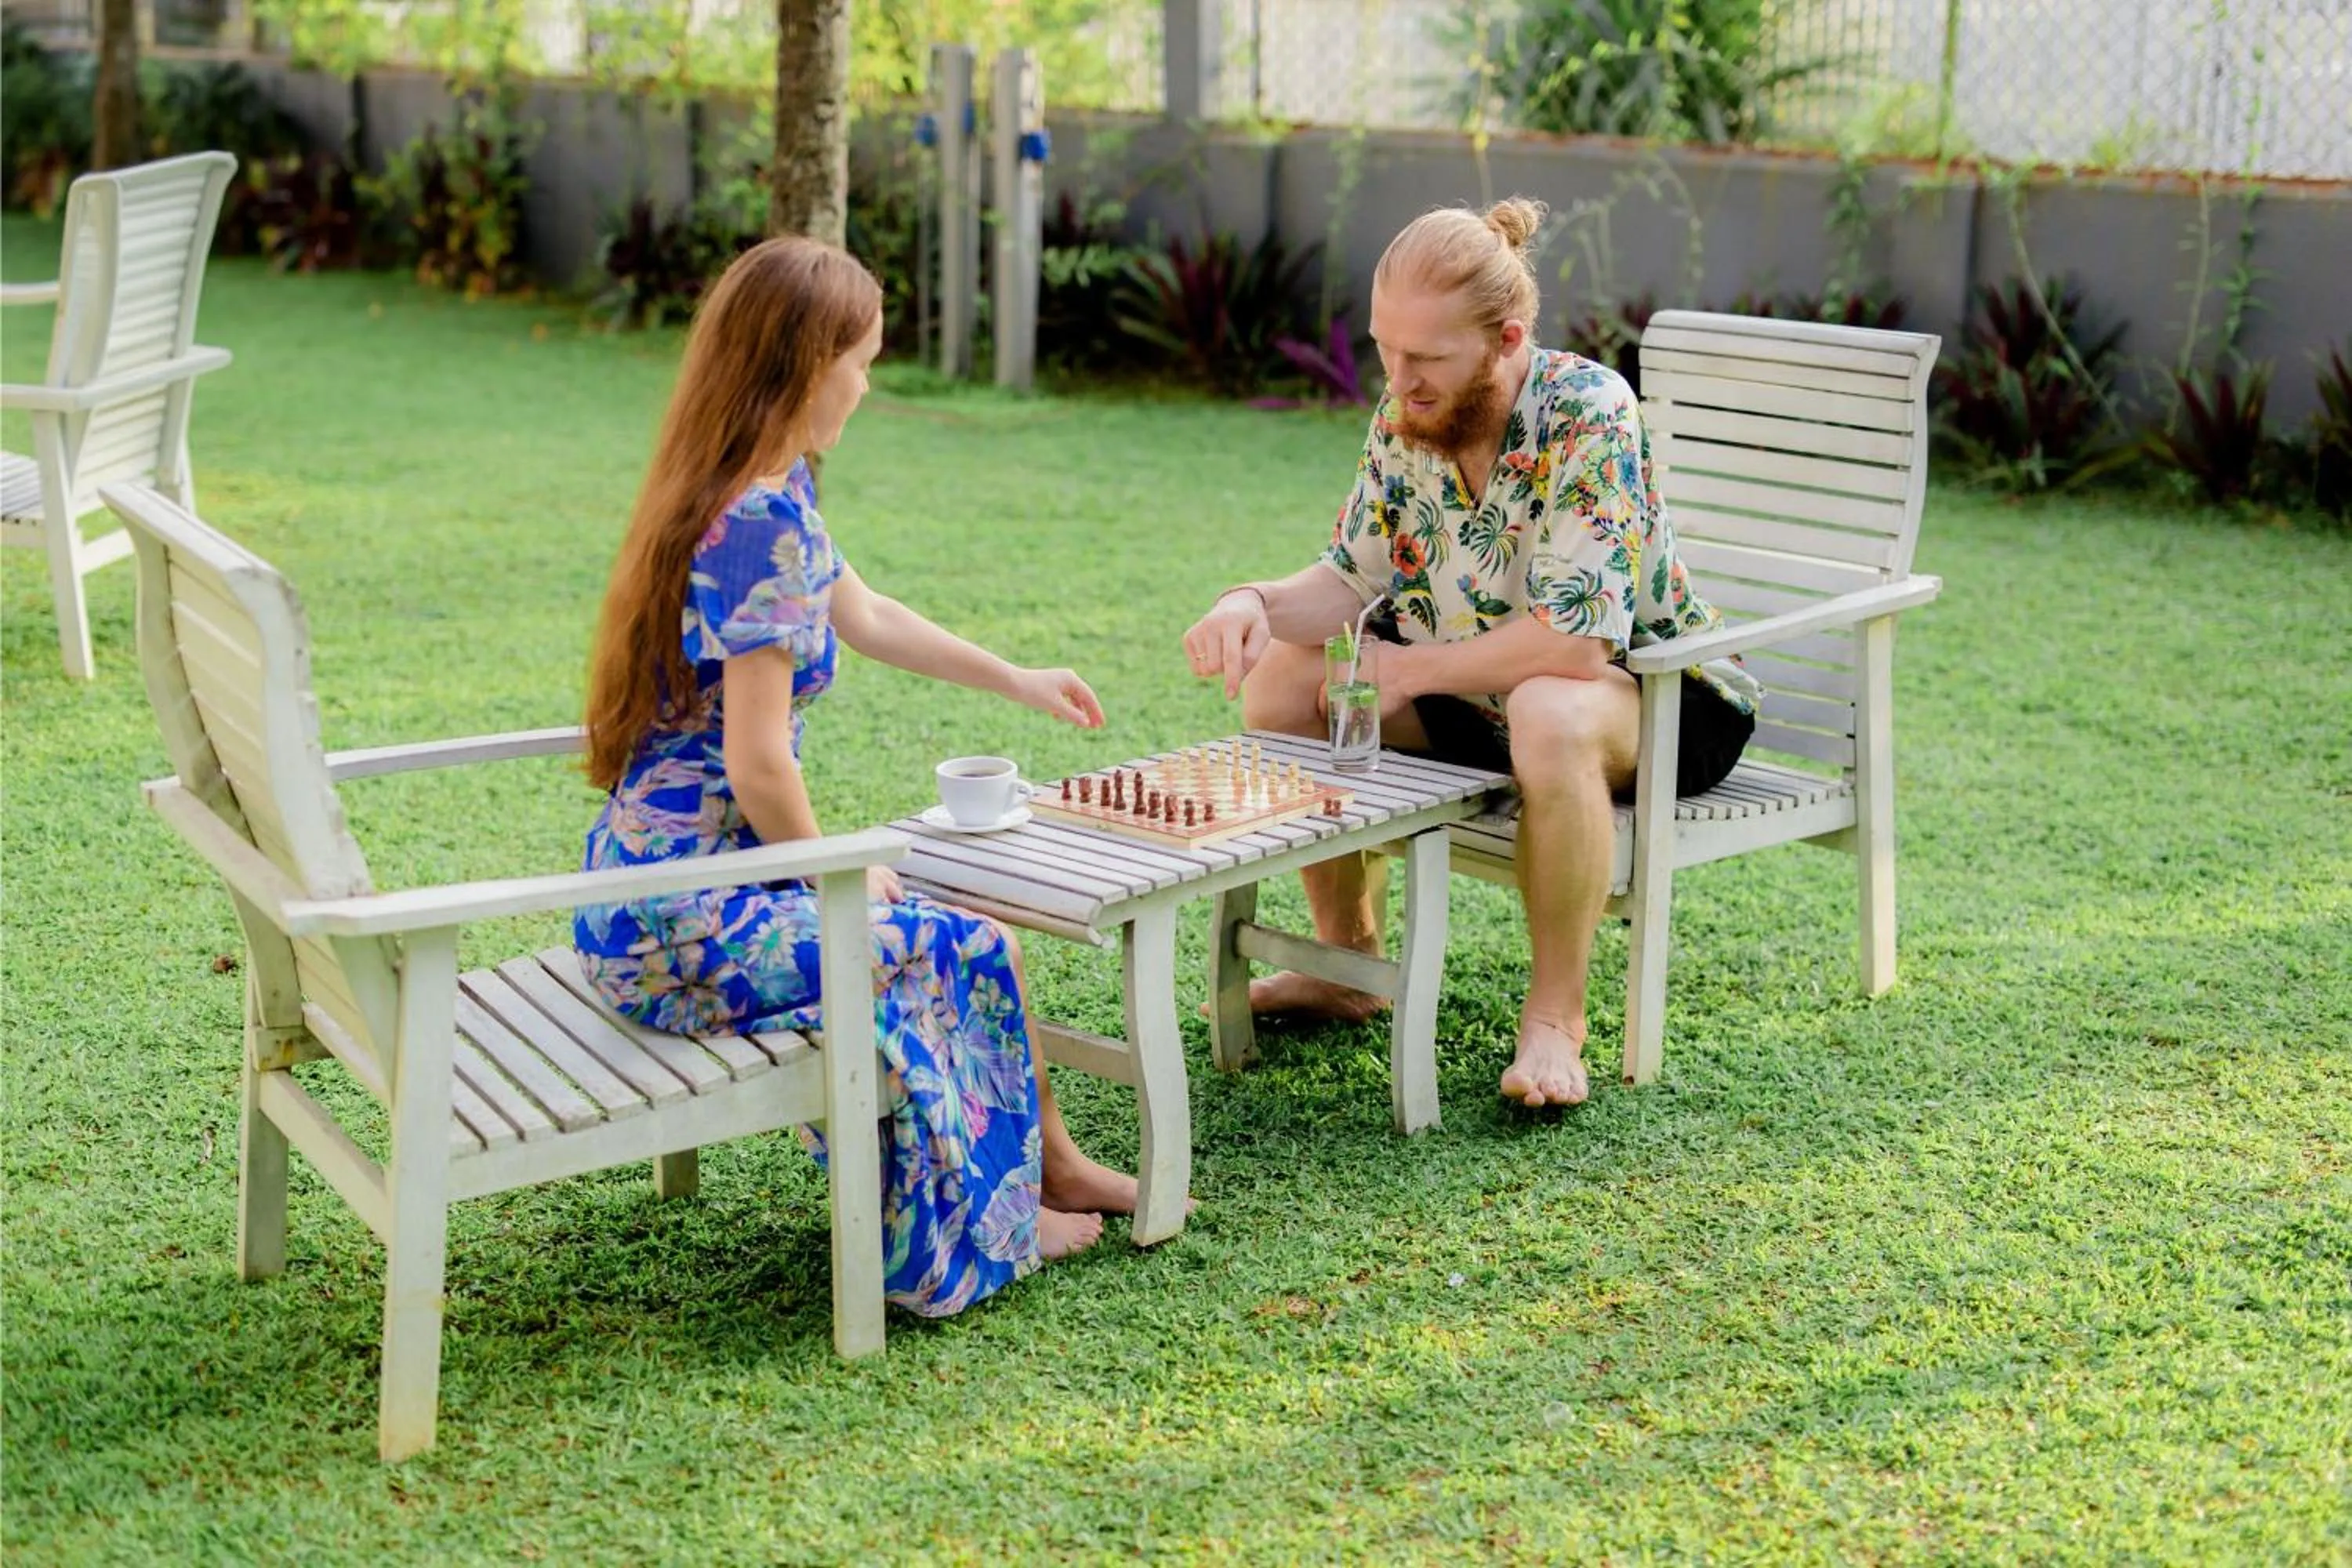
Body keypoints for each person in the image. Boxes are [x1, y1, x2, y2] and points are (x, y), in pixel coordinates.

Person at [575, 236, 1138, 1318]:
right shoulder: (758, 524)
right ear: (805, 365)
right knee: (968, 942)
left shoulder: (744, 491)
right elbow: (758, 758)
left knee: (949, 929)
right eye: (862, 362)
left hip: (638, 902)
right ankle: (984, 1226)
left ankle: (1051, 1165)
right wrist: (833, 872)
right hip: (684, 922)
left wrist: (1016, 679)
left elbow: (866, 615)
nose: (868, 385)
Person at [1180, 199, 1760, 1109]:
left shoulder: (1589, 412)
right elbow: (1348, 574)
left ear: (1506, 339)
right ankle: (1349, 964)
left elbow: (1576, 644)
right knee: (1285, 674)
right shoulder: (1408, 410)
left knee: (1546, 706)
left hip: (1654, 701)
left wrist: (1407, 669)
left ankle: (1556, 1018)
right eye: (1385, 349)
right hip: (1484, 697)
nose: (1397, 379)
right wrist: (1249, 600)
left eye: (1426, 358)